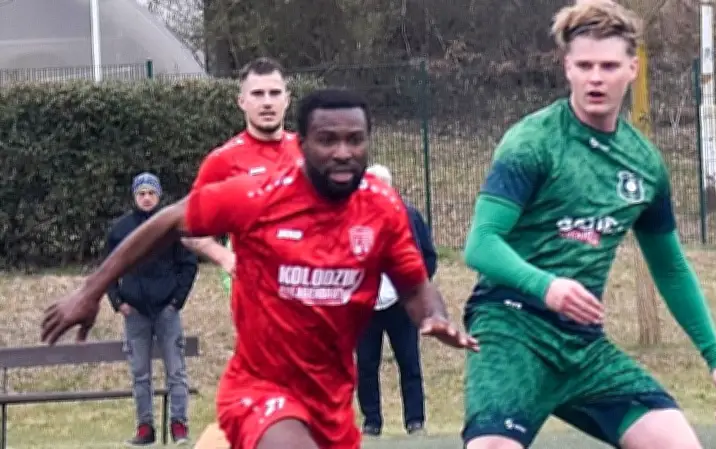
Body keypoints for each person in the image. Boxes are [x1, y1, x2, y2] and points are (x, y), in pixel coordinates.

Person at [41, 88, 479, 449]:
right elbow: (170, 220)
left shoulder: (383, 209)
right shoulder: (258, 196)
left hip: (331, 403)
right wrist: (92, 290)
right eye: (328, 140)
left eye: (355, 140)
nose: (343, 152)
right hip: (259, 389)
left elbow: (415, 284)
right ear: (301, 144)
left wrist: (434, 316)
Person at [459, 1, 716, 449]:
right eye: (585, 65)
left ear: (632, 69)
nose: (596, 77)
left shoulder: (644, 165)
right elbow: (480, 245)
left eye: (609, 65)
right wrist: (547, 286)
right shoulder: (532, 142)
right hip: (510, 329)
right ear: (566, 68)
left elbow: (670, 268)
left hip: (581, 347)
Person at [180, 56, 301, 290]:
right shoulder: (223, 160)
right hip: (257, 298)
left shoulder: (308, 152)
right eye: (257, 94)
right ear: (242, 101)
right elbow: (186, 227)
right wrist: (225, 257)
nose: (267, 102)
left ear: (287, 100)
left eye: (275, 93)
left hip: (311, 294)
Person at [106, 172, 198, 446]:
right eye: (141, 193)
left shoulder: (172, 226)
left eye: (151, 193)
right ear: (134, 196)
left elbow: (188, 265)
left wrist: (175, 302)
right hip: (135, 311)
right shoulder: (120, 229)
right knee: (140, 374)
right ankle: (145, 428)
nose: (146, 198)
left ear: (158, 195)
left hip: (166, 311)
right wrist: (118, 302)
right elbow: (108, 268)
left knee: (176, 371)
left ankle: (179, 426)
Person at [355, 164, 437, 437]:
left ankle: (415, 421)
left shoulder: (409, 215)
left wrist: (414, 288)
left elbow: (428, 255)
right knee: (366, 365)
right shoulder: (353, 218)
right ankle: (371, 422)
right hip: (365, 306)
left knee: (409, 362)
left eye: (381, 186)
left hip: (400, 305)